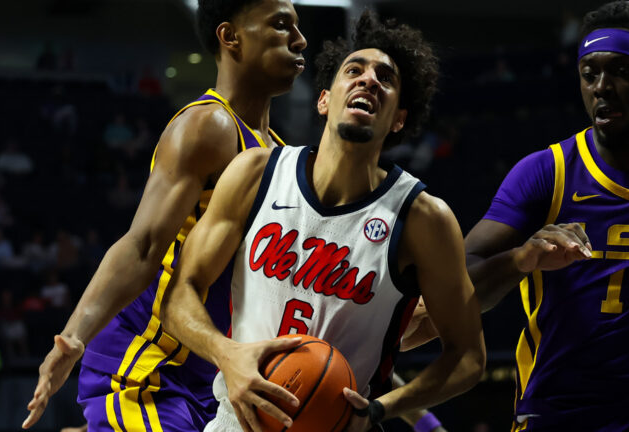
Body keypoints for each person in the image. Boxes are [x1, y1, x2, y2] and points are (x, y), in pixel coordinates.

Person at [405, 2, 629, 431]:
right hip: (559, 406)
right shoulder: (546, 172)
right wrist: (521, 258)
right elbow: (459, 282)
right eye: (589, 73)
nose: (602, 86)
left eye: (620, 71)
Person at [160, 11, 486, 432]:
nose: (369, 80)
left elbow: (468, 356)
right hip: (237, 422)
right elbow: (178, 296)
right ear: (324, 99)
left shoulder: (424, 219)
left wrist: (381, 408)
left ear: (399, 119)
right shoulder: (255, 173)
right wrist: (226, 354)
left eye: (385, 78)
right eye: (354, 70)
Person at [22, 0, 307, 430]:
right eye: (281, 25)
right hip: (147, 360)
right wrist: (73, 338)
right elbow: (141, 246)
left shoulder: (280, 154)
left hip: (209, 373)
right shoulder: (208, 126)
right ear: (230, 37)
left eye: (298, 28)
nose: (300, 40)